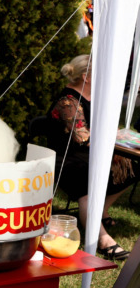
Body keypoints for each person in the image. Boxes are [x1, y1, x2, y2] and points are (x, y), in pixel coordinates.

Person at [47, 54, 136, 260]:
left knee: (133, 166)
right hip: (65, 160)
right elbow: (82, 138)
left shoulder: (91, 98)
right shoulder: (68, 101)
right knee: (87, 182)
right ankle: (102, 240)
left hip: (88, 155)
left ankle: (100, 212)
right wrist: (113, 137)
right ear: (86, 77)